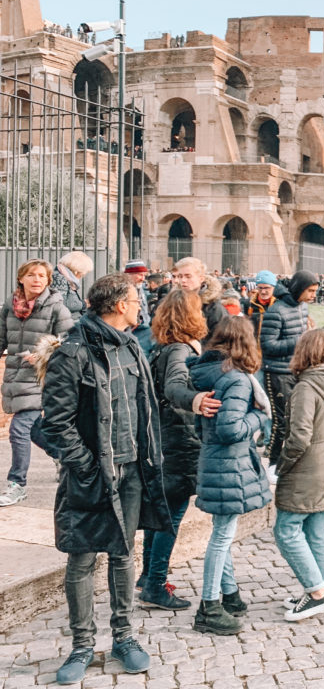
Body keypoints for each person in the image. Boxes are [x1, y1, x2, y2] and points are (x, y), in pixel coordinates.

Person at [41, 274, 171, 683]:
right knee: (81, 558)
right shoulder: (73, 351)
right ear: (117, 304)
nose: (140, 306)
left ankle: (125, 637)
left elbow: (145, 406)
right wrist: (84, 466)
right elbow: (56, 422)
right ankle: (81, 645)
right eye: (135, 300)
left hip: (133, 470)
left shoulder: (133, 346)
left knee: (123, 554)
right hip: (91, 475)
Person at [138, 290, 220, 611]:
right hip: (178, 442)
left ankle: (147, 577)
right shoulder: (178, 352)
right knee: (170, 516)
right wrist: (196, 400)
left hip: (164, 439)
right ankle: (156, 584)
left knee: (160, 514)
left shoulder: (160, 348)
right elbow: (174, 388)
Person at [190, 318, 272, 635]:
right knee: (222, 536)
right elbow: (230, 429)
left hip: (214, 459)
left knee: (222, 530)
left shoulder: (208, 370)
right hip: (228, 462)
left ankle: (230, 595)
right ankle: (209, 607)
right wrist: (256, 417)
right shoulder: (236, 378)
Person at [275, 330, 324, 621]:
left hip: (306, 466)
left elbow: (299, 436)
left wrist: (283, 464)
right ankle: (320, 589)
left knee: (286, 530)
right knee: (316, 531)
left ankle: (317, 592)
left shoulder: (307, 386)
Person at [0, 259, 73, 507]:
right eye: (32, 275)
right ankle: (63, 456)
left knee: (19, 429)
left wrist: (43, 356)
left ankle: (17, 484)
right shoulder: (10, 307)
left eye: (42, 276)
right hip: (15, 378)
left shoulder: (56, 308)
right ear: (21, 278)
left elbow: (69, 344)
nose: (37, 280)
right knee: (33, 430)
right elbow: (1, 338)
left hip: (43, 378)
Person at [260, 270, 318, 466]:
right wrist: (299, 340)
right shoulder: (276, 311)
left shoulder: (302, 308)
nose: (313, 295)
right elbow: (267, 346)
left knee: (296, 419)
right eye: (310, 290)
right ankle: (273, 463)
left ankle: (288, 460)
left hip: (295, 369)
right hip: (276, 372)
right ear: (299, 289)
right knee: (280, 422)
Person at [172, 257, 228, 339]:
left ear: (201, 278)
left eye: (188, 276)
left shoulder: (214, 308)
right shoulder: (171, 302)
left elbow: (221, 341)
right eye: (180, 276)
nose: (183, 280)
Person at [50, 251, 93, 322]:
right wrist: (83, 304)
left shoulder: (66, 277)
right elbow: (61, 304)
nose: (84, 275)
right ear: (77, 269)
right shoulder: (59, 278)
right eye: (84, 271)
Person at [243, 270, 277, 339]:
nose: (263, 292)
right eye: (260, 288)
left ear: (274, 287)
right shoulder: (248, 304)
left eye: (266, 288)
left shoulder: (279, 304)